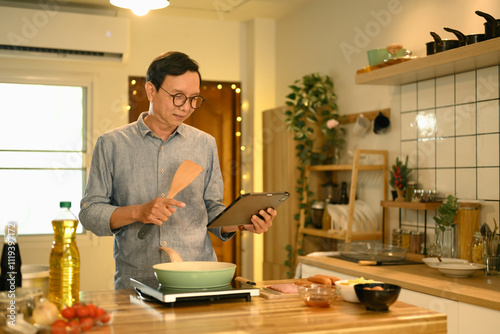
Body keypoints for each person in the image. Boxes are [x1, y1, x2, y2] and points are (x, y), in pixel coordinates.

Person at [80, 51, 277, 289]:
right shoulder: (112, 143)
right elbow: (90, 213)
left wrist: (242, 222)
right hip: (138, 282)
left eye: (194, 98)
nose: (186, 107)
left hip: (198, 279)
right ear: (151, 91)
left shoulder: (205, 144)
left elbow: (212, 210)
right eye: (178, 96)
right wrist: (138, 212)